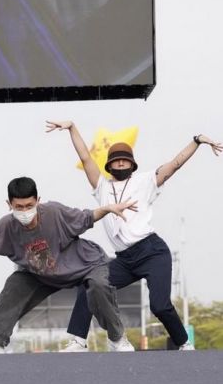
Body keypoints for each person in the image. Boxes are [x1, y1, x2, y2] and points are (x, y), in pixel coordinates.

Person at [46, 120, 222, 352]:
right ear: (109, 165)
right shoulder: (102, 187)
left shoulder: (145, 181)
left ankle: (184, 343)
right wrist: (72, 128)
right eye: (116, 160)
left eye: (125, 160)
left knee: (159, 306)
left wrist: (197, 141)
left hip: (152, 252)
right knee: (90, 284)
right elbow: (86, 158)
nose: (121, 163)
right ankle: (79, 340)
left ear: (132, 164)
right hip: (124, 259)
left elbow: (174, 165)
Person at [0, 176, 136, 354]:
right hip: (43, 274)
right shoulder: (8, 226)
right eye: (19, 207)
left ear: (38, 201)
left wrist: (107, 208)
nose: (25, 212)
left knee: (99, 286)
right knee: (16, 283)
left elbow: (87, 217)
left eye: (29, 206)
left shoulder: (54, 212)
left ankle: (117, 338)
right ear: (9, 204)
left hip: (86, 264)